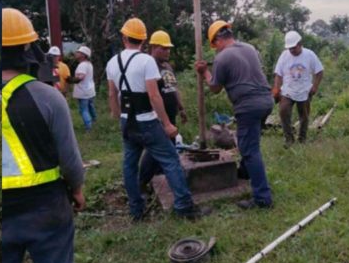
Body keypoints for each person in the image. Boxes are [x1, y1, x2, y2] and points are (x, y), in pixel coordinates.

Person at [1, 8, 92, 263]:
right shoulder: (46, 96)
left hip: (3, 214)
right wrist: (78, 190)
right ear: (29, 50)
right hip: (46, 208)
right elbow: (70, 160)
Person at [107, 18, 208, 221]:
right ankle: (184, 207)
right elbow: (154, 96)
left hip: (128, 122)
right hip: (147, 120)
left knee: (129, 164)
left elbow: (112, 94)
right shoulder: (145, 61)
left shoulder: (112, 62)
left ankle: (136, 210)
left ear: (124, 37)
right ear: (144, 40)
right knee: (171, 160)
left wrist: (118, 115)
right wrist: (167, 124)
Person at [195, 21, 274, 209]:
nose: (215, 50)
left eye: (214, 46)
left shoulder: (223, 57)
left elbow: (214, 87)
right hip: (266, 101)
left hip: (248, 105)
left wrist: (205, 71)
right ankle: (245, 172)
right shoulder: (249, 48)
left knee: (249, 149)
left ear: (217, 40)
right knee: (249, 141)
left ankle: (262, 199)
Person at [139, 30, 188, 190]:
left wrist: (181, 108)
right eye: (164, 48)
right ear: (153, 47)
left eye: (168, 48)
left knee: (170, 146)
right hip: (158, 117)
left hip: (171, 113)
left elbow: (173, 88)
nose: (167, 51)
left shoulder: (167, 66)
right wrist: (160, 118)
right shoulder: (148, 65)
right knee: (157, 150)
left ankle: (160, 178)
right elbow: (150, 93)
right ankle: (141, 182)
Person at [272, 30, 324, 147]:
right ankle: (289, 139)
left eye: (294, 48)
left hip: (304, 90)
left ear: (300, 44)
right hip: (288, 90)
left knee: (304, 116)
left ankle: (302, 139)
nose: (291, 50)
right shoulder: (284, 55)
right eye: (289, 48)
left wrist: (315, 87)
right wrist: (276, 89)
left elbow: (319, 72)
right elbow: (278, 74)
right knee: (283, 111)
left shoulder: (309, 55)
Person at [71, 46, 96, 131]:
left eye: (78, 52)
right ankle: (94, 120)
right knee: (90, 106)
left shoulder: (82, 65)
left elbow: (81, 77)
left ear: (83, 55)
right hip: (90, 90)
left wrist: (71, 80)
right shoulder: (89, 64)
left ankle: (88, 127)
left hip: (83, 91)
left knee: (83, 110)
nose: (76, 53)